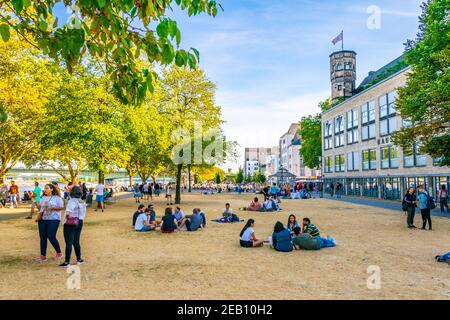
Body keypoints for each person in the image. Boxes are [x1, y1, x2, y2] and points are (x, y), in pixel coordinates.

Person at [35, 184, 65, 262]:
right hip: (43, 219)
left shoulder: (57, 198)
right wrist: (35, 202)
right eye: (44, 188)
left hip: (54, 219)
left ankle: (59, 253)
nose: (44, 189)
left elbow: (62, 207)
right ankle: (43, 256)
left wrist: (52, 208)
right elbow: (40, 208)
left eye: (46, 188)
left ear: (51, 189)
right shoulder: (43, 198)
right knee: (43, 237)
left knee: (51, 236)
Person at [60, 186, 86, 267]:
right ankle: (79, 259)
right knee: (76, 241)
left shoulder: (72, 201)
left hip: (71, 222)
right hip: (80, 221)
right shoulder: (82, 202)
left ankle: (67, 262)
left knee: (69, 242)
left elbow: (68, 212)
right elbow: (83, 214)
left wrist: (65, 220)